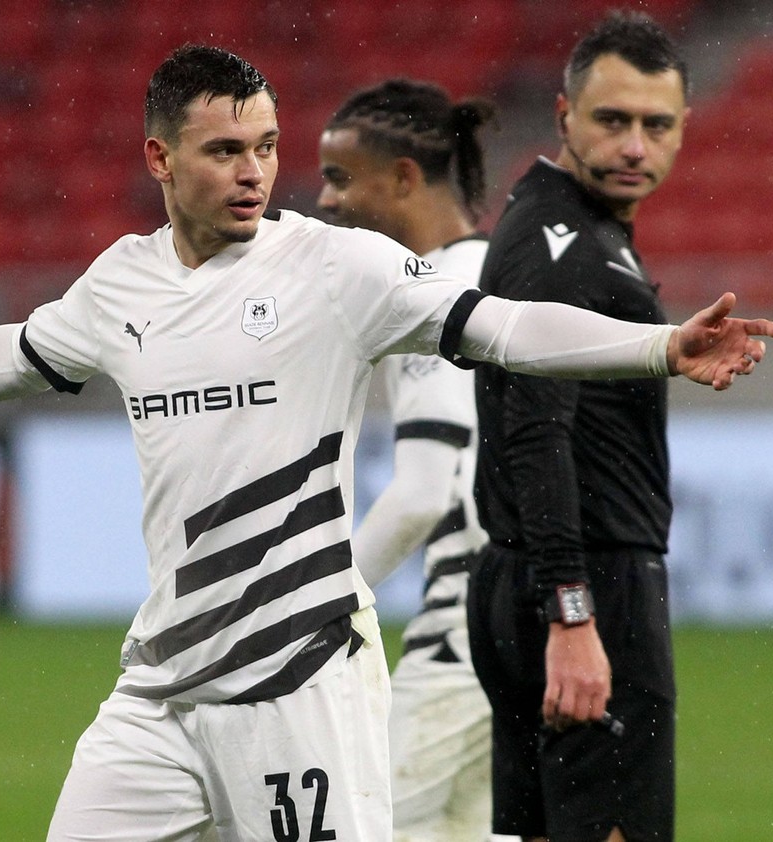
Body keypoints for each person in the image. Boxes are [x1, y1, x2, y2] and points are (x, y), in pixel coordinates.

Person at [0, 44, 773, 842]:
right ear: (159, 157)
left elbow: (507, 325)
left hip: (297, 684)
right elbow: (23, 350)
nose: (255, 172)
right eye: (224, 150)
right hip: (160, 686)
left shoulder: (337, 269)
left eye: (266, 146)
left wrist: (657, 346)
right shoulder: (122, 283)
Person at [466, 11, 690, 841]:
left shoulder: (566, 227)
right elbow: (535, 430)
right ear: (564, 117)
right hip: (586, 584)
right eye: (612, 120)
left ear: (681, 130)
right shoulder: (566, 249)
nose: (635, 144)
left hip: (530, 578)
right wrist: (572, 613)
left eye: (655, 125)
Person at [316, 78, 513, 841]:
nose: (326, 202)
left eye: (339, 178)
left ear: (403, 177)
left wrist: (318, 603)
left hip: (463, 636)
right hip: (519, 628)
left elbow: (424, 493)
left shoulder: (432, 296)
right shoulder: (504, 272)